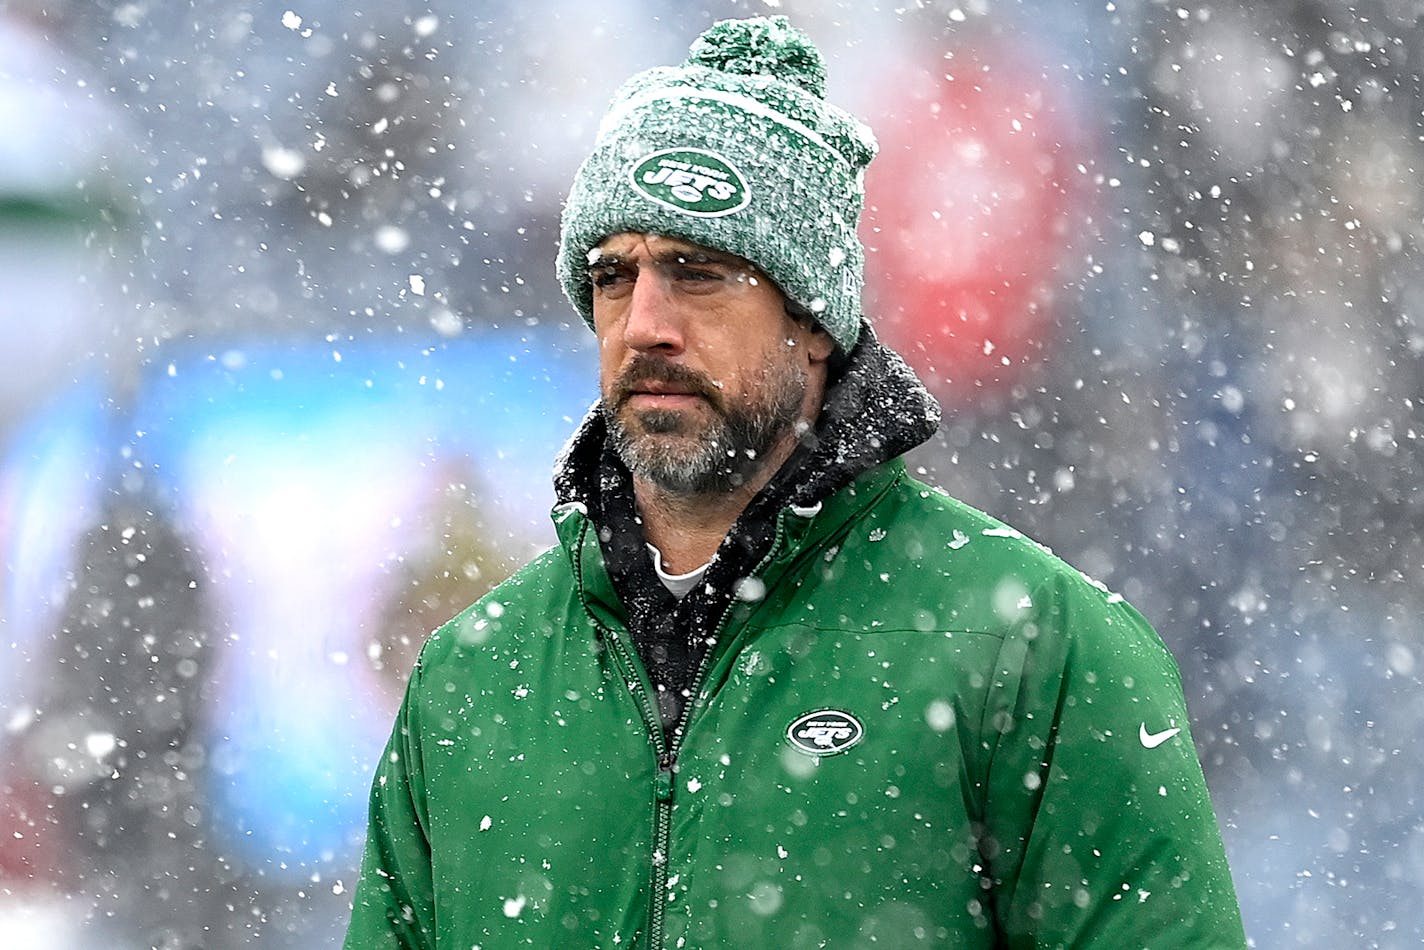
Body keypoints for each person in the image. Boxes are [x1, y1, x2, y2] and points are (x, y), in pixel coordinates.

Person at [343, 16, 1246, 949]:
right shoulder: (470, 679)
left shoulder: (1032, 646)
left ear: (813, 319)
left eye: (698, 274)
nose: (644, 321)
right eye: (614, 277)